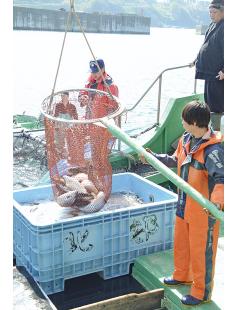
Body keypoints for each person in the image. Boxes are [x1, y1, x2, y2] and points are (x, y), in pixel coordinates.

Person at [140, 100, 224, 306]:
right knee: (182, 244)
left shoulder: (213, 151)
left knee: (200, 251)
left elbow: (223, 180)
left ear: (194, 122)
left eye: (184, 120)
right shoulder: (186, 139)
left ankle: (201, 292)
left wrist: (218, 204)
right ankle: (182, 275)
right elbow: (174, 160)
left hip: (203, 212)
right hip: (183, 204)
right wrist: (153, 158)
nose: (182, 123)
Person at [192, 0, 224, 130]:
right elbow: (207, 45)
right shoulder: (213, 24)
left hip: (218, 74)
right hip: (209, 72)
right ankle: (211, 130)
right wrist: (196, 59)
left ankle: (217, 133)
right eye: (210, 12)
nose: (211, 14)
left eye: (214, 12)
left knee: (217, 105)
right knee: (209, 103)